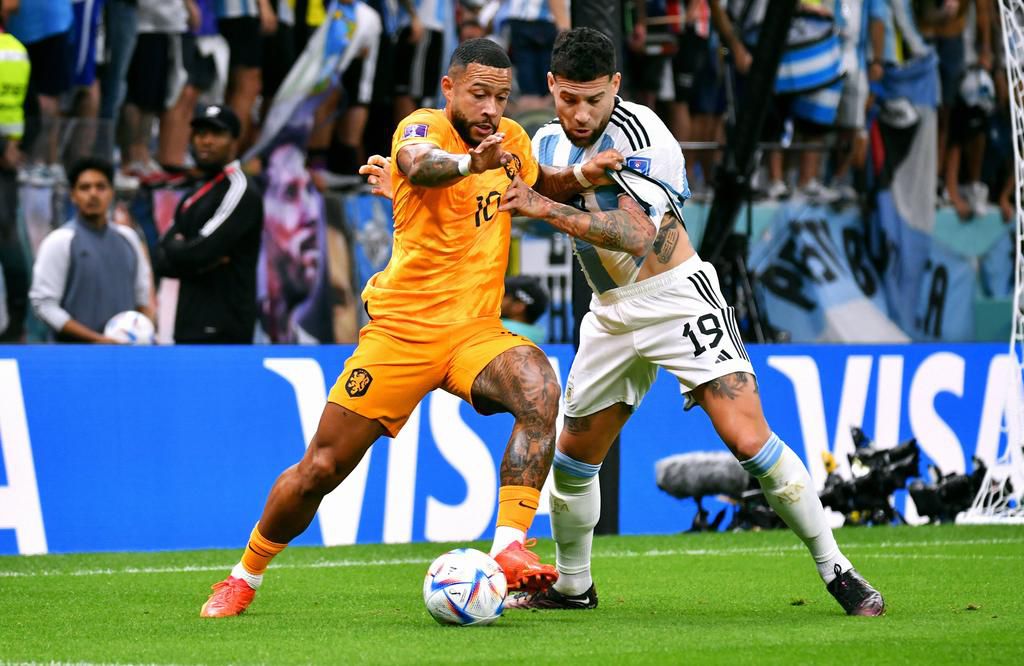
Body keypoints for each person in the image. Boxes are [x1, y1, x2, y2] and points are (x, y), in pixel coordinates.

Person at [365, 27, 885, 617]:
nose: (581, 114)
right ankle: (573, 585)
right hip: (608, 313)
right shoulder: (542, 144)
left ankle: (836, 568)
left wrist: (546, 207)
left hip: (674, 298)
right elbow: (489, 202)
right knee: (571, 462)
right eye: (569, 100)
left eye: (594, 99)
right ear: (551, 86)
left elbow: (637, 235)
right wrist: (401, 193)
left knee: (747, 439)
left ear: (616, 85)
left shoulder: (644, 134)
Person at [198, 37, 623, 618]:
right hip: (403, 332)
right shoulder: (419, 129)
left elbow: (532, 181)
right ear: (448, 88)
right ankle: (244, 575)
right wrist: (471, 163)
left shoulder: (511, 141)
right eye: (479, 94)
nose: (492, 109)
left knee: (539, 385)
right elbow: (420, 167)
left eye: (501, 96)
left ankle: (509, 548)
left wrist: (578, 174)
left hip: (475, 332)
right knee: (319, 469)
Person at [157, 104, 263, 343]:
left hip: (225, 329)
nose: (206, 141)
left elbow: (200, 251)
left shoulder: (239, 188)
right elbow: (161, 258)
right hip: (187, 324)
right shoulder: (196, 193)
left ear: (234, 141)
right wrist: (195, 258)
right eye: (201, 134)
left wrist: (188, 252)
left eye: (216, 134)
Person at [28, 157, 153, 342]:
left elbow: (143, 298)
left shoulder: (129, 239)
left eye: (100, 187)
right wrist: (96, 340)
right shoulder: (59, 241)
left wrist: (144, 333)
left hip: (124, 355)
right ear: (73, 195)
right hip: (73, 357)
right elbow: (44, 305)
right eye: (84, 188)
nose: (93, 194)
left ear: (112, 192)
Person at [0, 20, 29, 341]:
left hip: (5, 167)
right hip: (6, 158)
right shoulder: (16, 50)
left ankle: (16, 325)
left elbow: (29, 106)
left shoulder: (14, 52)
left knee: (9, 245)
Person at [501, 275, 549, 343]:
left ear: (518, 306)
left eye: (503, 294)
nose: (495, 297)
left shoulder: (495, 333)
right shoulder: (537, 340)